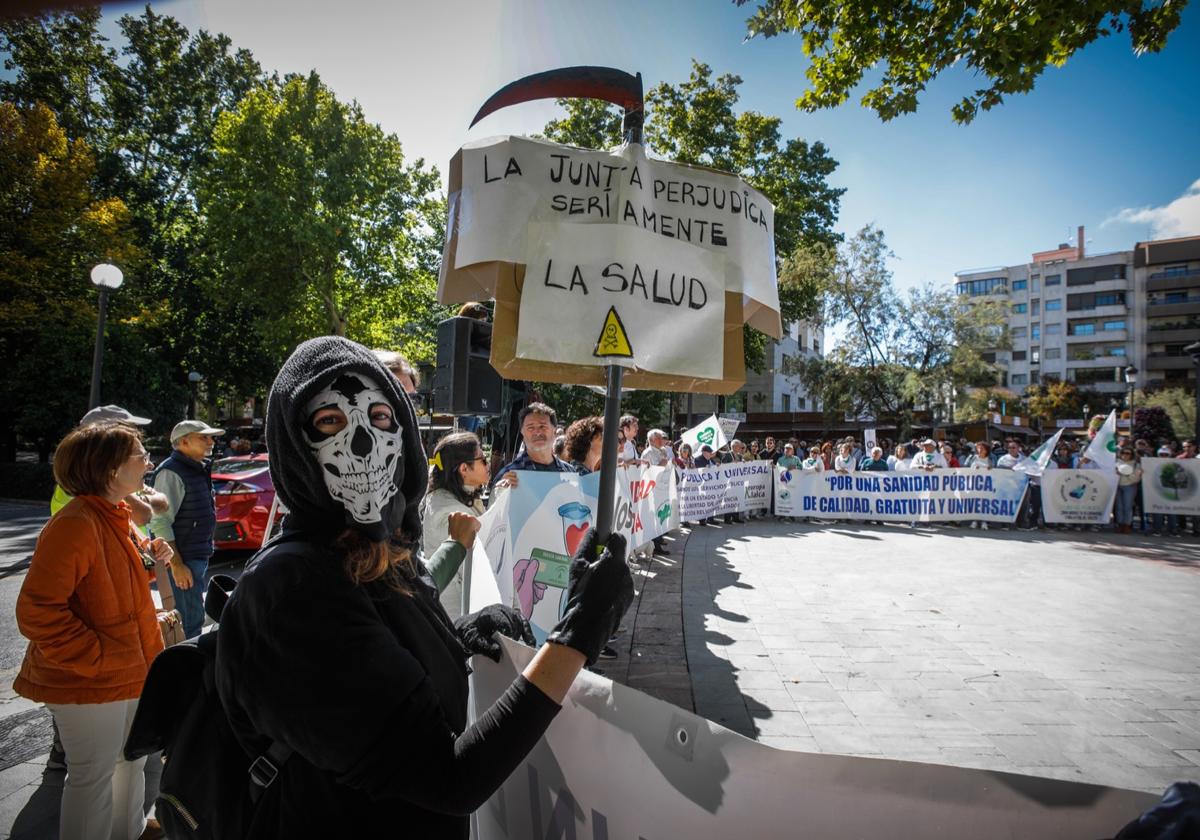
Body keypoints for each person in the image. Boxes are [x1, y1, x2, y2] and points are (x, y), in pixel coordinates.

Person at [214, 336, 633, 837]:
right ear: (292, 445)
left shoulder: (381, 549)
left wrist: (456, 635)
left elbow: (387, 663)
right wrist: (578, 637)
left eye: (381, 417)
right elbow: (448, 778)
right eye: (330, 422)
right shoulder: (291, 593)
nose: (363, 440)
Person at [16, 422, 171, 840]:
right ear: (109, 469)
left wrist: (152, 557)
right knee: (93, 775)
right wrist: (97, 657)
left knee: (129, 762)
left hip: (125, 672)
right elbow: (37, 611)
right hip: (92, 678)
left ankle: (129, 831)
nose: (149, 462)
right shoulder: (77, 522)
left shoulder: (114, 515)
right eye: (140, 454)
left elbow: (112, 584)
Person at [150, 420, 225, 639]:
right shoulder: (171, 472)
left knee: (192, 618)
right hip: (183, 559)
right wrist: (177, 564)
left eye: (211, 437)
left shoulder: (195, 468)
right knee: (188, 622)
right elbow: (160, 522)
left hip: (192, 556)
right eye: (204, 437)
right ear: (184, 441)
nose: (211, 441)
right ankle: (185, 668)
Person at [420, 432, 489, 620]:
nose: (488, 464)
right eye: (483, 459)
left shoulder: (447, 498)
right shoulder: (450, 511)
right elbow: (480, 565)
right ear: (464, 469)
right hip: (457, 616)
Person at [492, 403, 579, 490]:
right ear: (522, 432)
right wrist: (500, 492)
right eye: (530, 428)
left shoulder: (570, 472)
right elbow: (493, 502)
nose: (537, 432)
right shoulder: (509, 475)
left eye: (542, 426)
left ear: (554, 430)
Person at [641, 429, 673, 553]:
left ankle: (659, 540)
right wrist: (661, 464)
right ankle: (655, 546)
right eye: (659, 438)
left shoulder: (662, 451)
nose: (662, 440)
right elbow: (649, 473)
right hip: (653, 491)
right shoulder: (648, 453)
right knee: (654, 518)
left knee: (660, 516)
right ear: (652, 441)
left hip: (662, 489)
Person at [965, 441, 994, 530]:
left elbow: (994, 470)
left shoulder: (990, 459)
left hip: (985, 485)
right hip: (973, 484)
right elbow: (965, 467)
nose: (980, 450)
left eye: (982, 448)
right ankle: (974, 520)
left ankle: (984, 521)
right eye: (979, 448)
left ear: (986, 450)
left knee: (984, 503)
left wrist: (990, 468)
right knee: (975, 502)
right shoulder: (972, 458)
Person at [1114, 447, 1143, 535]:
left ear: (1131, 455)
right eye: (1123, 453)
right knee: (1119, 507)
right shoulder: (1116, 463)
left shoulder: (1136, 465)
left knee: (1128, 506)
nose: (1125, 455)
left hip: (1130, 487)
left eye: (1128, 453)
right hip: (1117, 486)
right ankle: (1119, 524)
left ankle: (1127, 525)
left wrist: (1126, 474)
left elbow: (1136, 479)